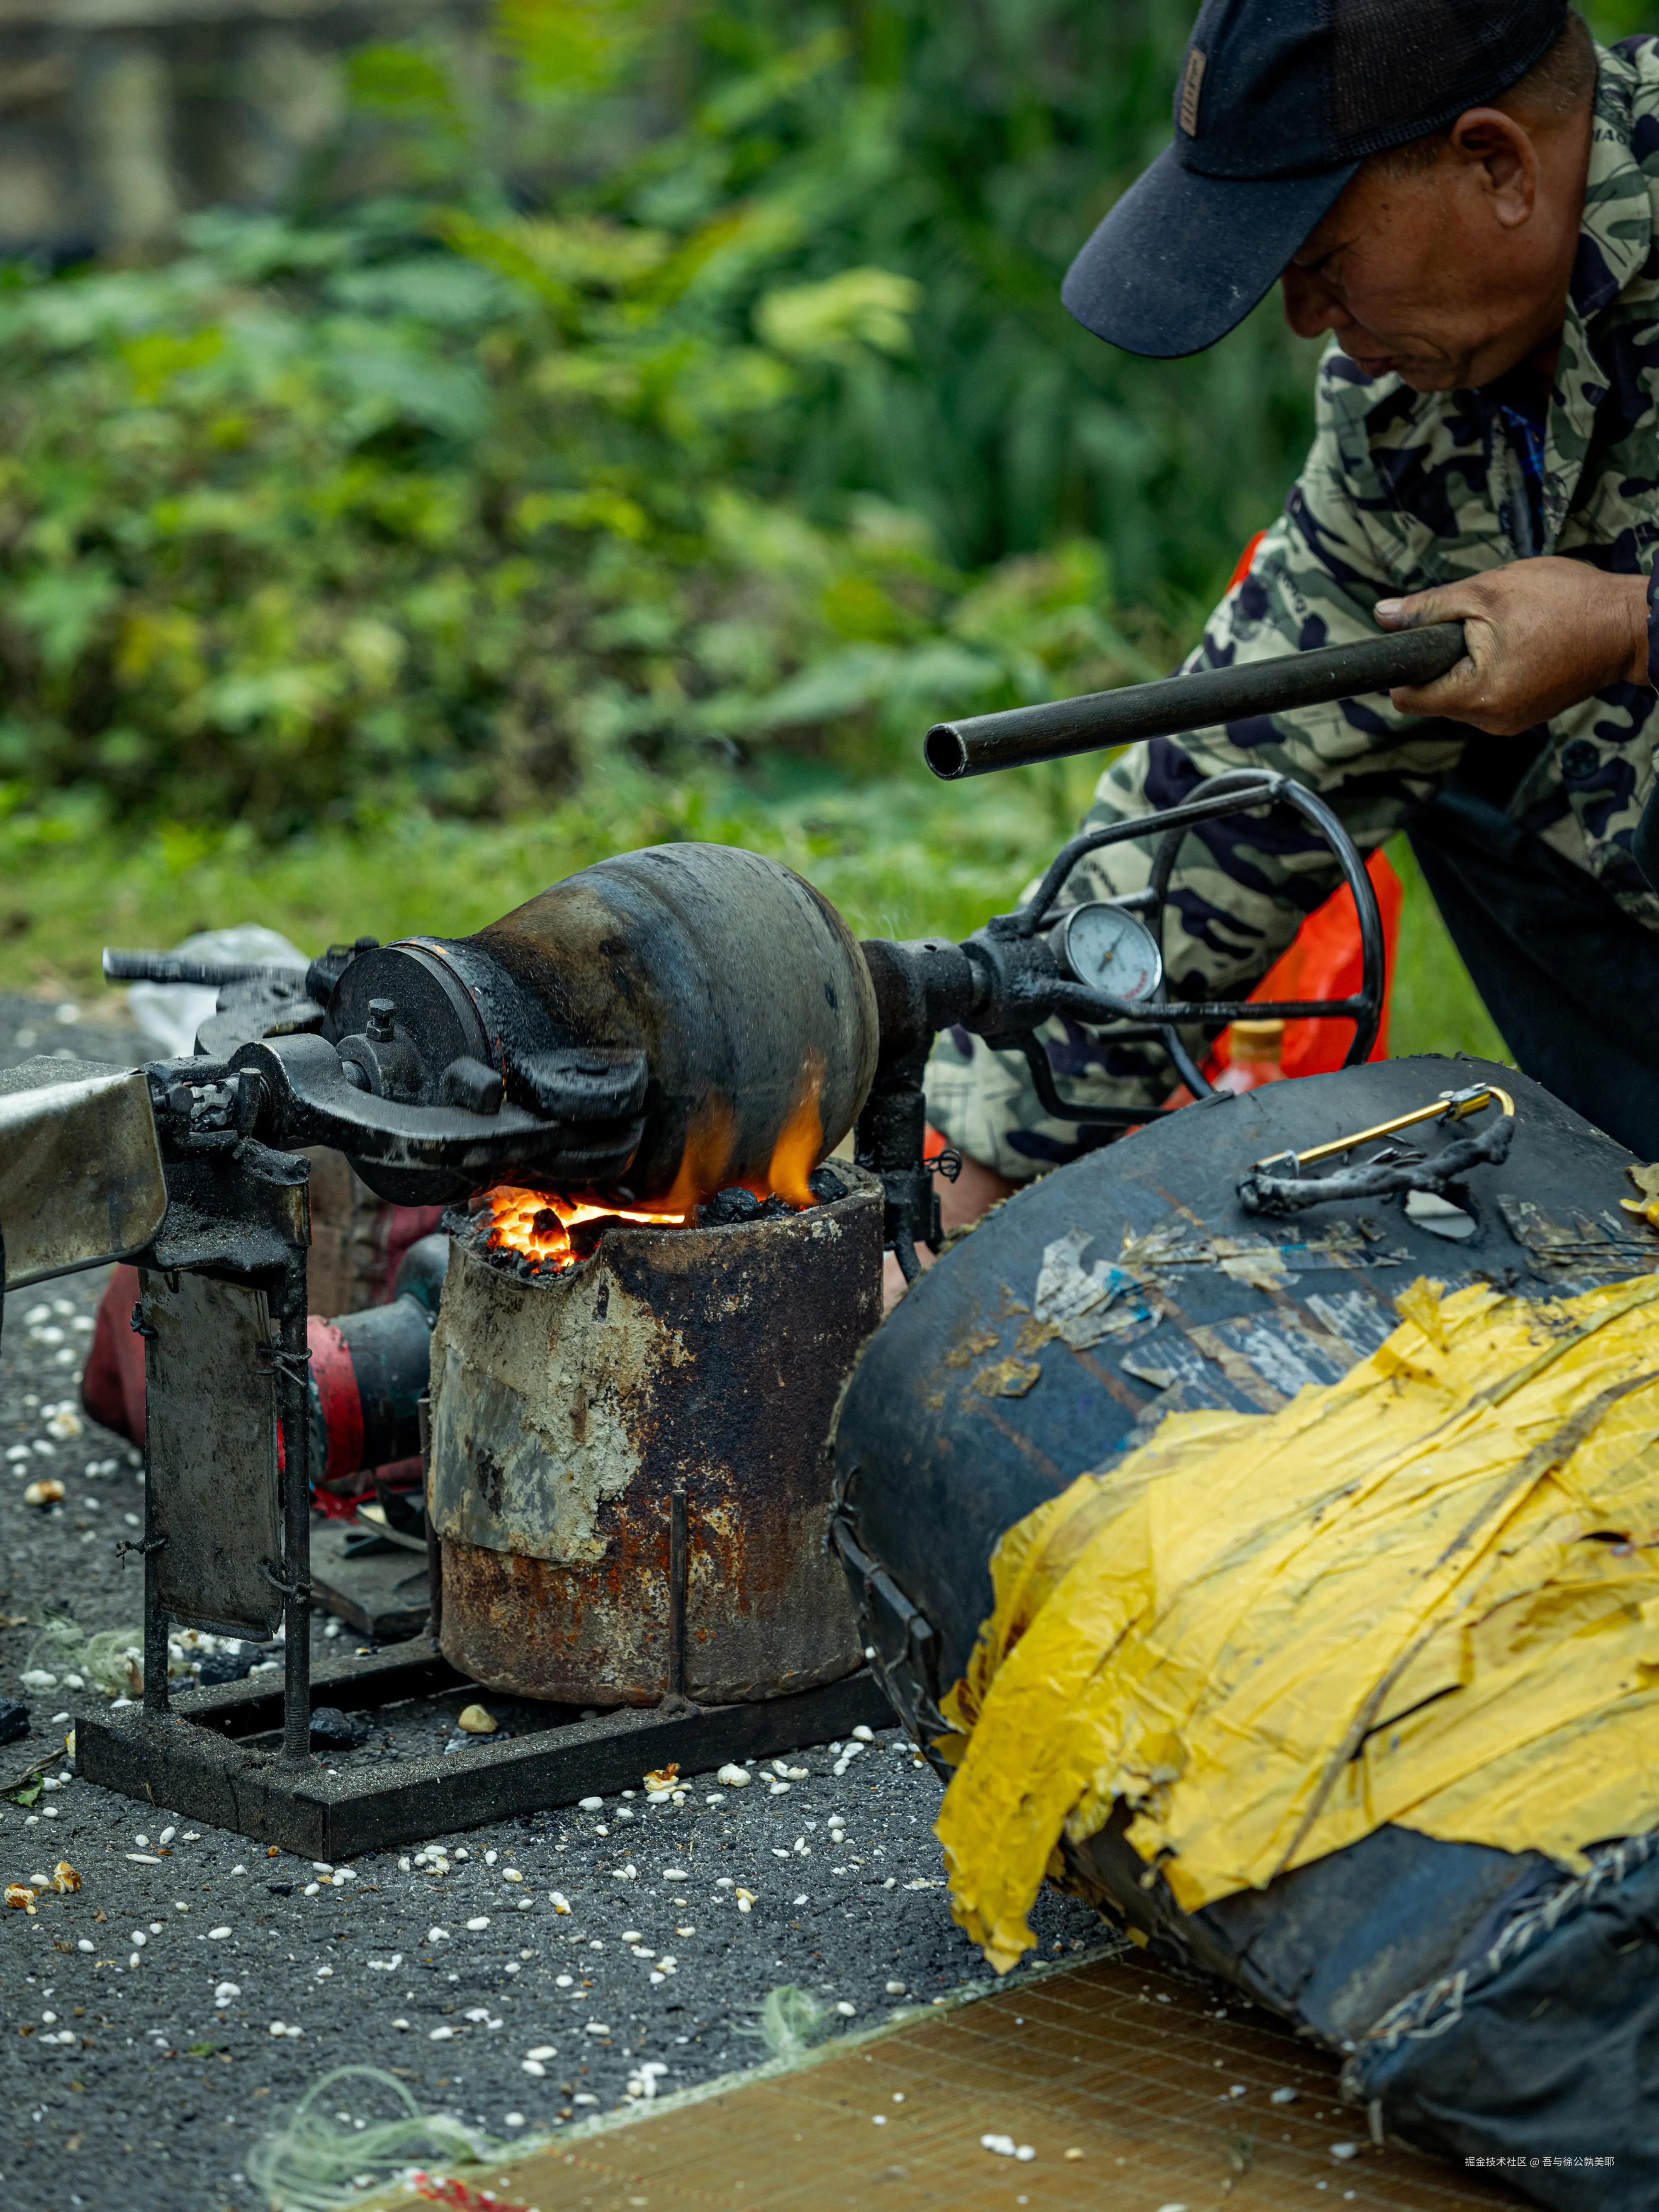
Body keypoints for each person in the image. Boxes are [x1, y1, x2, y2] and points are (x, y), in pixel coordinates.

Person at [924, 0, 1659, 1254]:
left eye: (1321, 260)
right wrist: (956, 1202)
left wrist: (1633, 624)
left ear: (1497, 165)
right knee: (1412, 721)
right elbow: (1245, 766)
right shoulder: (1404, 405)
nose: (1307, 320)